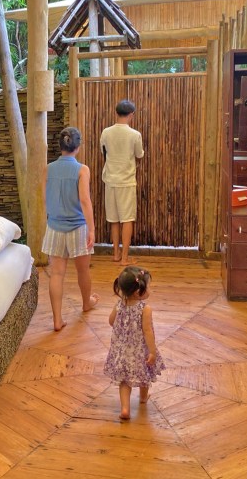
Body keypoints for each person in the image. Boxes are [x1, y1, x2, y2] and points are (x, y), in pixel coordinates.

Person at [42, 127, 99, 332]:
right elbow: (85, 200)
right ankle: (86, 303)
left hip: (55, 227)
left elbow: (45, 198)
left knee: (56, 274)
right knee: (82, 269)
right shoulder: (82, 169)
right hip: (77, 227)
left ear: (61, 146)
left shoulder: (48, 168)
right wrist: (91, 229)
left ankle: (57, 320)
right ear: (78, 146)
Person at [103, 265, 165, 420]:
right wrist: (152, 351)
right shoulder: (145, 309)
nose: (150, 290)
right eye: (148, 287)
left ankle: (125, 409)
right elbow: (147, 331)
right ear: (138, 291)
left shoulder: (119, 304)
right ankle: (143, 398)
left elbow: (111, 321)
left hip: (122, 351)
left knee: (124, 381)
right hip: (139, 350)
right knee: (144, 374)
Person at [100, 99, 144, 265]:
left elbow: (103, 151)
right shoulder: (134, 134)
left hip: (110, 180)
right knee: (127, 219)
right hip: (126, 181)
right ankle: (125, 258)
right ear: (131, 115)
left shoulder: (106, 132)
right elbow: (139, 154)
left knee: (114, 219)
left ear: (116, 113)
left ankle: (116, 253)